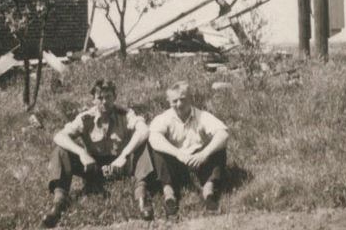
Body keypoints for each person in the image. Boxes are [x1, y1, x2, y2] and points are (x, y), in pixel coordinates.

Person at [43, 80, 154, 228]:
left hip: (121, 164)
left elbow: (144, 130)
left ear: (115, 97)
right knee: (61, 150)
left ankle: (141, 198)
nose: (104, 102)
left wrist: (124, 156)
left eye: (108, 97)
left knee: (143, 146)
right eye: (100, 98)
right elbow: (59, 136)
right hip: (93, 167)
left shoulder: (125, 114)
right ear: (93, 99)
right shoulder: (86, 118)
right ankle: (58, 203)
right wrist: (82, 153)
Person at [148, 81, 229, 215]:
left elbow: (223, 134)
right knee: (158, 151)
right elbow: (154, 138)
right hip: (176, 162)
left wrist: (204, 154)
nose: (179, 104)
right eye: (174, 101)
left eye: (183, 99)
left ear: (190, 98)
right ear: (168, 102)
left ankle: (208, 193)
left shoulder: (202, 115)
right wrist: (178, 154)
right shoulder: (164, 118)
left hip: (200, 161)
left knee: (218, 149)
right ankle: (169, 196)